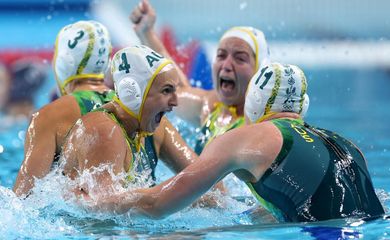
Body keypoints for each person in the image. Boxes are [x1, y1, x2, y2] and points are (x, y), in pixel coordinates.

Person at [80, 62, 385, 222]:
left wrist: (99, 203)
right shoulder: (348, 146)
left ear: (253, 101)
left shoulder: (242, 139)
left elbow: (158, 204)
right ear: (302, 106)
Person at [130, 0, 270, 154]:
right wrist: (146, 32)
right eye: (221, 56)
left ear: (259, 71)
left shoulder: (263, 127)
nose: (226, 65)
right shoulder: (211, 107)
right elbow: (177, 89)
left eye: (240, 58)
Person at [61, 45, 199, 198]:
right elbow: (104, 214)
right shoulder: (103, 132)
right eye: (166, 91)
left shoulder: (156, 127)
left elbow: (207, 184)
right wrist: (167, 195)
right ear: (133, 94)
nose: (175, 102)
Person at [13, 20, 114, 196]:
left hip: (79, 221)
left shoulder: (48, 116)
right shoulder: (142, 110)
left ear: (64, 61)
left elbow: (22, 200)